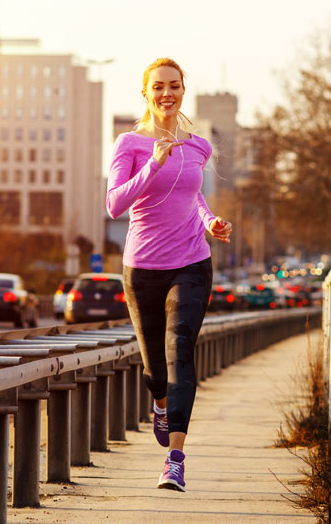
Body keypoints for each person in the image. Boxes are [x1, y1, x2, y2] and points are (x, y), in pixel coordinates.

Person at [106, 57, 232, 492]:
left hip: (193, 263)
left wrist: (210, 222)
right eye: (158, 87)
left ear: (183, 90)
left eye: (174, 86)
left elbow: (194, 197)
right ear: (146, 93)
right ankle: (161, 403)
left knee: (181, 353)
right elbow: (114, 205)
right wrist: (153, 163)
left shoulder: (199, 145)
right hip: (142, 269)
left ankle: (175, 459)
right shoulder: (129, 144)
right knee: (154, 371)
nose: (167, 94)